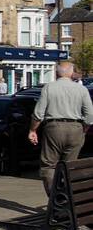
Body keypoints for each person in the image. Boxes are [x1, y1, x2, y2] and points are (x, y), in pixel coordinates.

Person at [28, 60, 93, 192]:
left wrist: (32, 130)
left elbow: (38, 113)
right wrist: (84, 129)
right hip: (76, 128)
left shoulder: (49, 88)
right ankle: (67, 198)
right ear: (71, 73)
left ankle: (54, 199)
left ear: (56, 73)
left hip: (54, 128)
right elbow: (90, 115)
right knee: (70, 166)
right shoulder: (82, 89)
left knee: (49, 166)